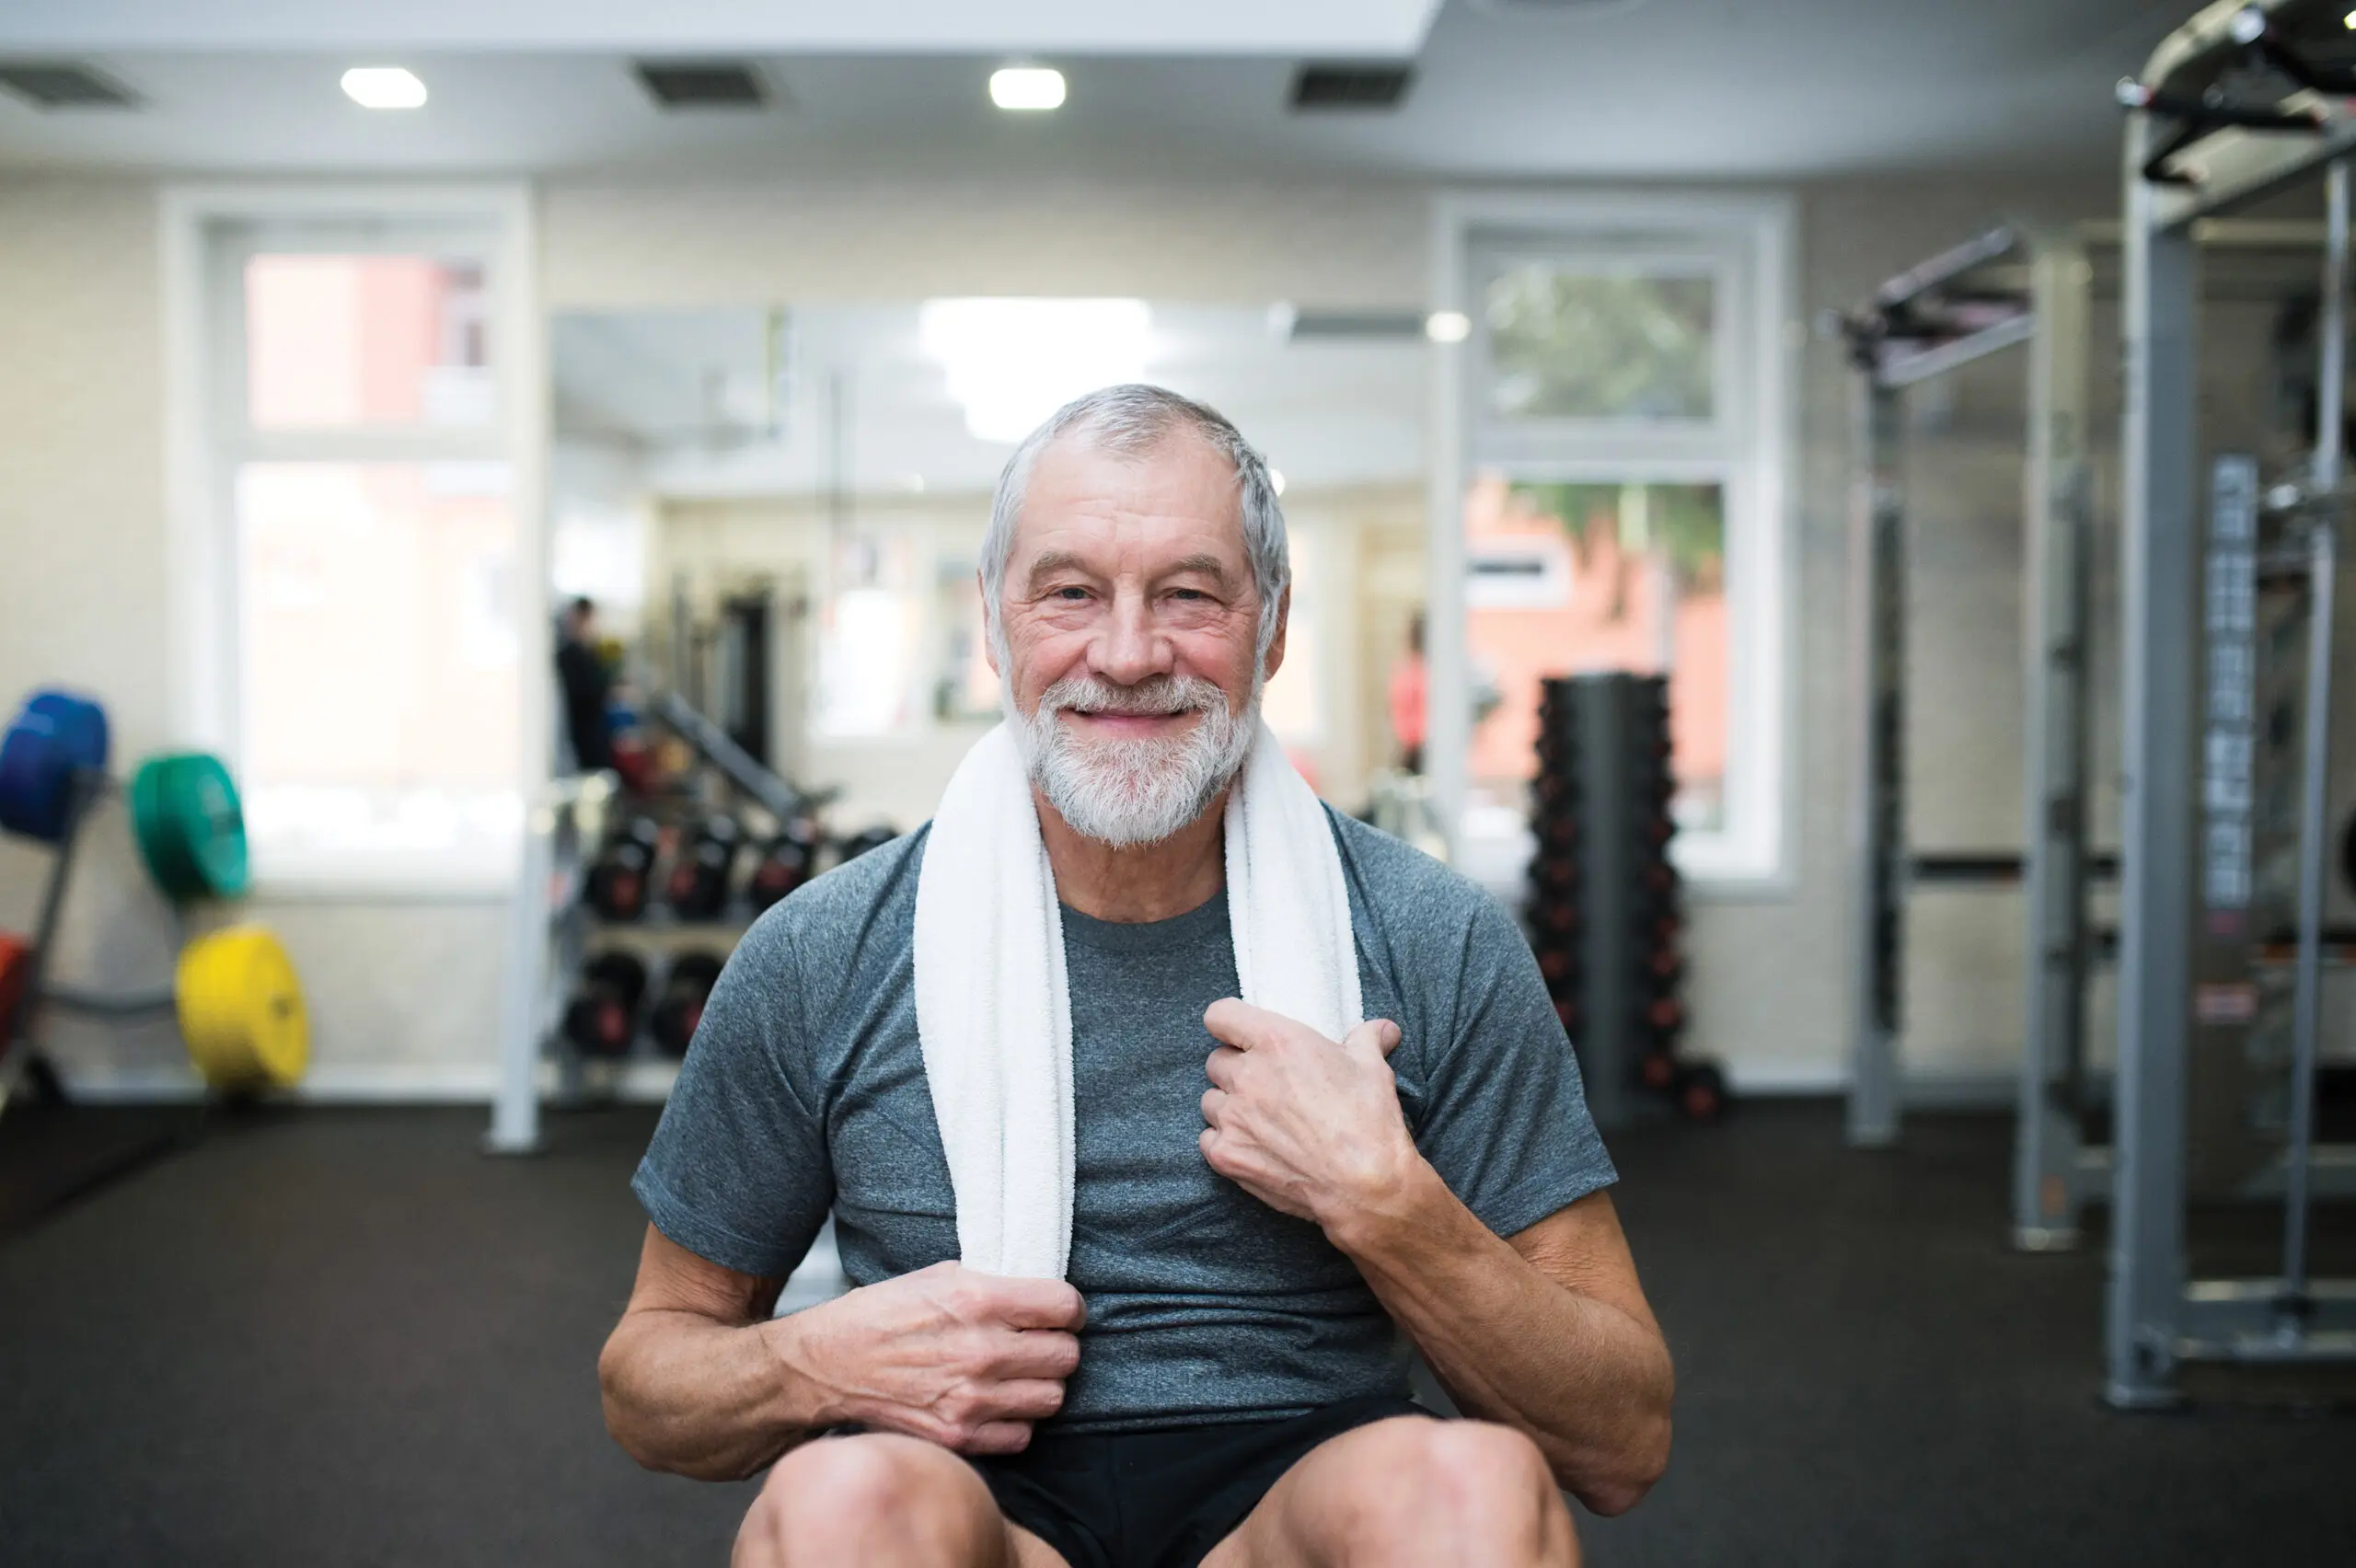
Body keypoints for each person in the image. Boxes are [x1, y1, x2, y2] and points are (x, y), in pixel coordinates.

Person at [598, 385, 1673, 1568]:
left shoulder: (1430, 939)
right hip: (970, 1501)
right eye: (1069, 592)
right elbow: (650, 1382)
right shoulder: (825, 952)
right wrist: (817, 1360)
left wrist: (1390, 1206)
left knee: (1472, 1489)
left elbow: (1618, 1442)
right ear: (995, 623)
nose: (1125, 653)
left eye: (1188, 594)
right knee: (840, 1508)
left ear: (1269, 627)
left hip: (1303, 1500)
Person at [556, 595, 614, 773]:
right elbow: (588, 691)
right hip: (584, 731)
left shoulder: (586, 650)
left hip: (594, 728)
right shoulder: (569, 654)